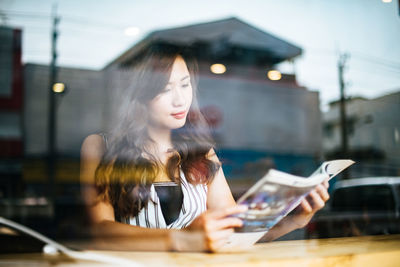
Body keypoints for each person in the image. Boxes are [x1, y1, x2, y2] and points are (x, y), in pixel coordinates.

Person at [80, 46, 330, 252]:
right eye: (166, 89)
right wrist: (182, 240)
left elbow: (235, 230)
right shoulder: (100, 146)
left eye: (185, 84)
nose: (180, 99)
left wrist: (293, 219)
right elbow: (100, 230)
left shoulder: (201, 152)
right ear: (141, 96)